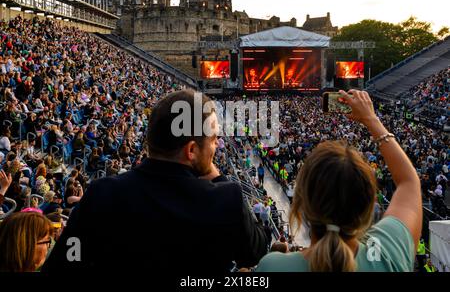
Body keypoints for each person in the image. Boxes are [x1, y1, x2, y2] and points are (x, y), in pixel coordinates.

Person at [43, 90, 267, 273]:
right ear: (191, 150)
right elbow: (255, 250)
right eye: (214, 139)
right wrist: (216, 176)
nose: (217, 145)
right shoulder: (224, 198)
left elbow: (66, 262)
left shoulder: (101, 194)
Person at [257, 90, 422, 272]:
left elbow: (408, 182)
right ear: (368, 207)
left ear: (301, 204)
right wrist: (371, 119)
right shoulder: (389, 255)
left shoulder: (272, 266)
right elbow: (409, 181)